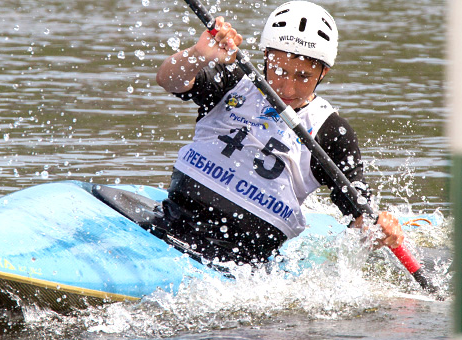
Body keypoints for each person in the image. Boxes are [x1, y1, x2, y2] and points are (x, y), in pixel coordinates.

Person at [153, 1, 402, 265]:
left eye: (303, 76)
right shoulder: (234, 80)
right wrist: (200, 54)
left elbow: (360, 219)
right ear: (266, 56)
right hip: (175, 219)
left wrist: (378, 231)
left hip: (245, 262)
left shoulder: (331, 132)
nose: (288, 88)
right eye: (279, 70)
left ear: (323, 72)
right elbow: (169, 80)